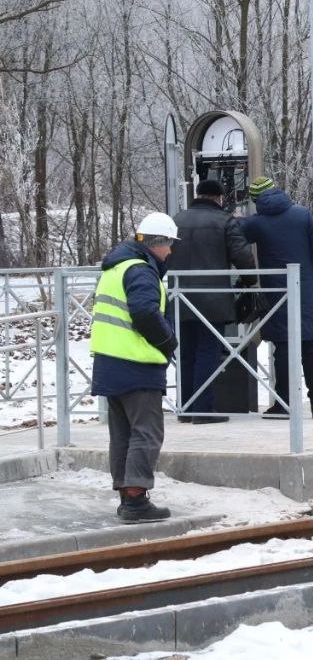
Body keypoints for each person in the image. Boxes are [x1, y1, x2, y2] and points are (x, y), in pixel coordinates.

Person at [89, 212, 181, 523]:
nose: (170, 252)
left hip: (110, 363)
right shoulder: (142, 271)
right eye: (169, 245)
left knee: (123, 434)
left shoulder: (117, 268)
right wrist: (168, 341)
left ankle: (127, 496)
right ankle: (136, 499)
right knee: (147, 433)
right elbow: (144, 312)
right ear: (158, 243)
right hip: (136, 364)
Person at [168, 179, 256, 424]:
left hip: (180, 298)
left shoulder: (176, 220)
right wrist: (252, 282)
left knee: (185, 352)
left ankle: (185, 408)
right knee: (208, 352)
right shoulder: (225, 221)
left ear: (197, 194)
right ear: (218, 198)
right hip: (213, 300)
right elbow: (243, 257)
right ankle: (203, 409)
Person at [241, 176, 313, 418]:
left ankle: (284, 404)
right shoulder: (303, 214)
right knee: (311, 346)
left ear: (255, 200)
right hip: (306, 289)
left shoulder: (256, 223)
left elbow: (233, 238)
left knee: (283, 349)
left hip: (277, 293)